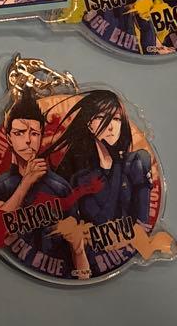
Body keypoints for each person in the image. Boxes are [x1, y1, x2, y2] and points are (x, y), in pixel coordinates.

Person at [0, 88, 89, 279]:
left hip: (60, 275)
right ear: (9, 138)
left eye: (34, 133)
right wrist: (26, 183)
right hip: (8, 272)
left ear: (41, 136)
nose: (27, 140)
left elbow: (78, 250)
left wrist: (80, 254)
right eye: (19, 133)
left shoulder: (60, 187)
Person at [51, 90, 152, 274]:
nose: (111, 126)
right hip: (87, 264)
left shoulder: (135, 163)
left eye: (116, 119)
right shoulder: (78, 177)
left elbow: (144, 224)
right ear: (89, 124)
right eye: (101, 117)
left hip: (128, 255)